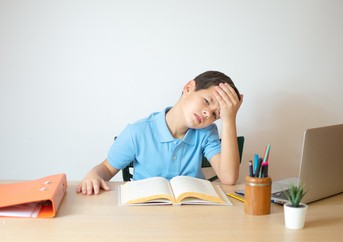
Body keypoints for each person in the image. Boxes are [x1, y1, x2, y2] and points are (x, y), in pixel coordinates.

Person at [77, 70, 243, 195]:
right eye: (206, 101)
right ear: (188, 88)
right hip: (147, 215)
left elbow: (228, 178)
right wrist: (93, 175)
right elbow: (106, 168)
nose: (208, 113)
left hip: (192, 215)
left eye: (215, 114)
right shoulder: (138, 132)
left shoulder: (207, 133)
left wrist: (229, 119)